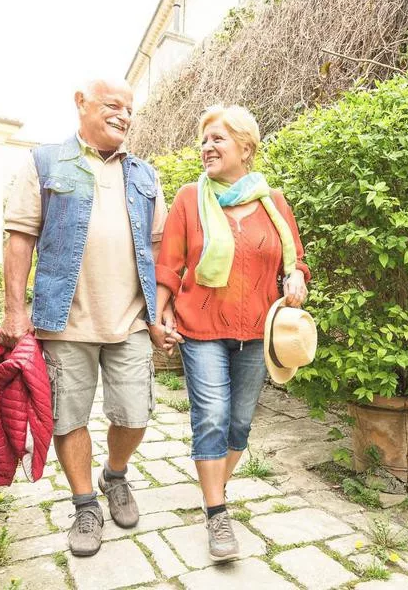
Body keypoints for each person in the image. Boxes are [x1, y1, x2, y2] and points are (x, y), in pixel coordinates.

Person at [1, 78, 177, 557]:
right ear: (81, 104)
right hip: (64, 322)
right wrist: (14, 311)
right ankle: (84, 504)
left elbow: (160, 247)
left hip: (132, 321)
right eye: (112, 105)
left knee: (136, 415)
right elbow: (20, 236)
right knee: (67, 419)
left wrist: (161, 312)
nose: (123, 114)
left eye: (129, 108)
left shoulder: (145, 174)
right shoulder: (44, 163)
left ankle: (114, 475)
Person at [153, 105, 310, 561]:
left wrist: (297, 275)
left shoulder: (272, 202)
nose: (207, 147)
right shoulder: (189, 198)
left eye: (217, 139)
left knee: (239, 423)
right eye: (204, 140)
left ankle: (212, 488)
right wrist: (161, 314)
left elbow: (294, 258)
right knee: (213, 417)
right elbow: (171, 264)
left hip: (257, 332)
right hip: (201, 328)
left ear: (245, 147)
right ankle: (217, 512)